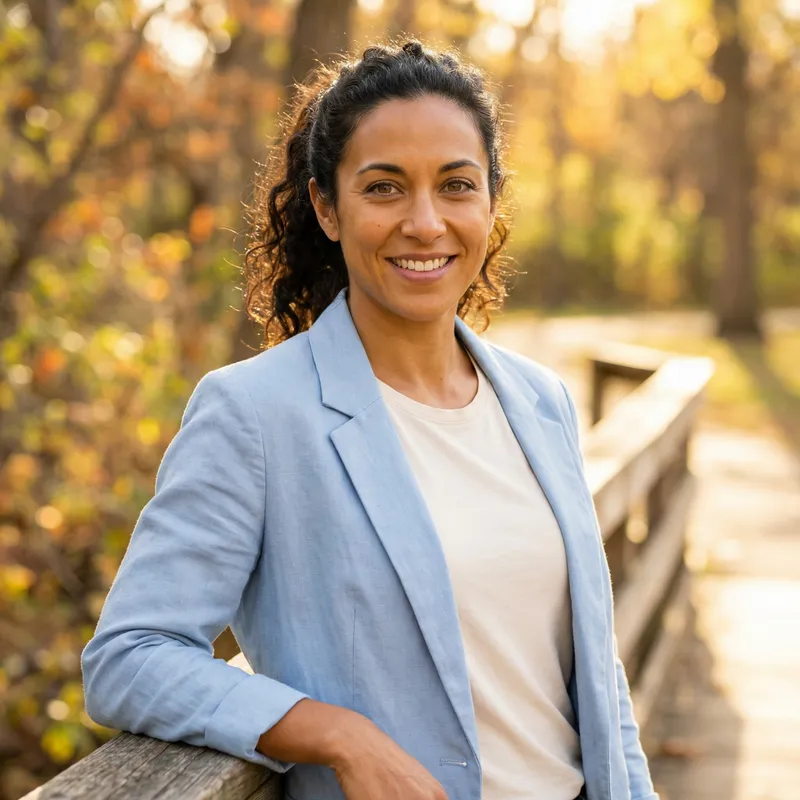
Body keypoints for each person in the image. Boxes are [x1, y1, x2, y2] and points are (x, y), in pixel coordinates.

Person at [82, 40, 658, 800]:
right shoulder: (254, 414)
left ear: (490, 201)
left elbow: (595, 670)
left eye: (456, 185)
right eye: (384, 188)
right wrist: (336, 733)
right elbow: (129, 656)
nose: (425, 223)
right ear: (327, 206)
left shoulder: (539, 401)